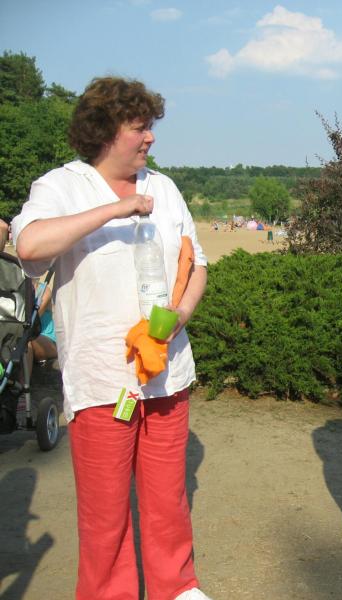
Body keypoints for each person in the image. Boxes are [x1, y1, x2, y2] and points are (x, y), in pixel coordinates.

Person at [12, 77, 211, 600]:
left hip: (166, 372)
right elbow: (29, 247)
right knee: (105, 512)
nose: (151, 138)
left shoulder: (164, 188)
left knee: (168, 497)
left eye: (151, 127)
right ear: (105, 131)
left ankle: (177, 587)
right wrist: (116, 210)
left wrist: (180, 316)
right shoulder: (62, 186)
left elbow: (196, 263)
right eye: (140, 127)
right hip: (103, 379)